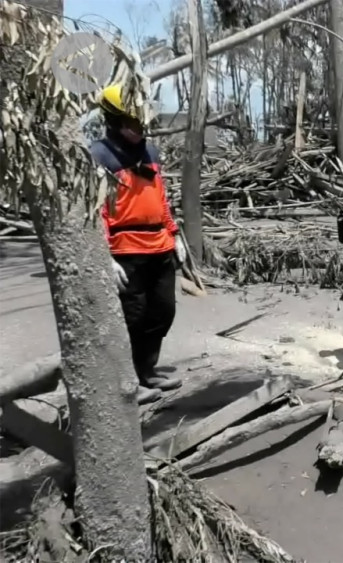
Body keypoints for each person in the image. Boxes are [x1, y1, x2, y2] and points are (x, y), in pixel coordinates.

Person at [90, 83, 185, 405]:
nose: (138, 127)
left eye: (141, 121)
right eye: (132, 122)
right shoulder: (99, 155)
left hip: (159, 245)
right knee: (133, 316)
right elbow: (97, 208)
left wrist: (174, 234)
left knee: (162, 312)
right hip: (125, 250)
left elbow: (161, 198)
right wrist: (105, 255)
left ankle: (147, 370)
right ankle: (128, 381)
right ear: (114, 121)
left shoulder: (150, 153)